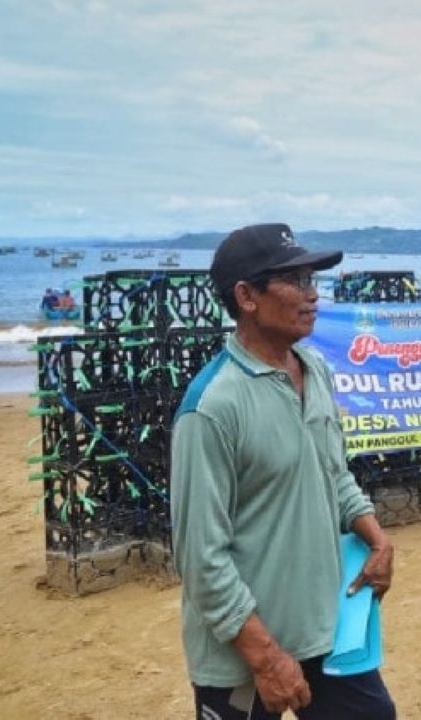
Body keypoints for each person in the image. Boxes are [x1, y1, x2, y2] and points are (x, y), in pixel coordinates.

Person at [170, 223, 397, 719]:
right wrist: (266, 657)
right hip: (245, 653)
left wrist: (378, 539)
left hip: (325, 628)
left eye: (314, 280)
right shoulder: (211, 408)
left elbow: (333, 474)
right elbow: (200, 557)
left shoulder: (315, 370)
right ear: (246, 296)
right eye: (295, 281)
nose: (312, 295)